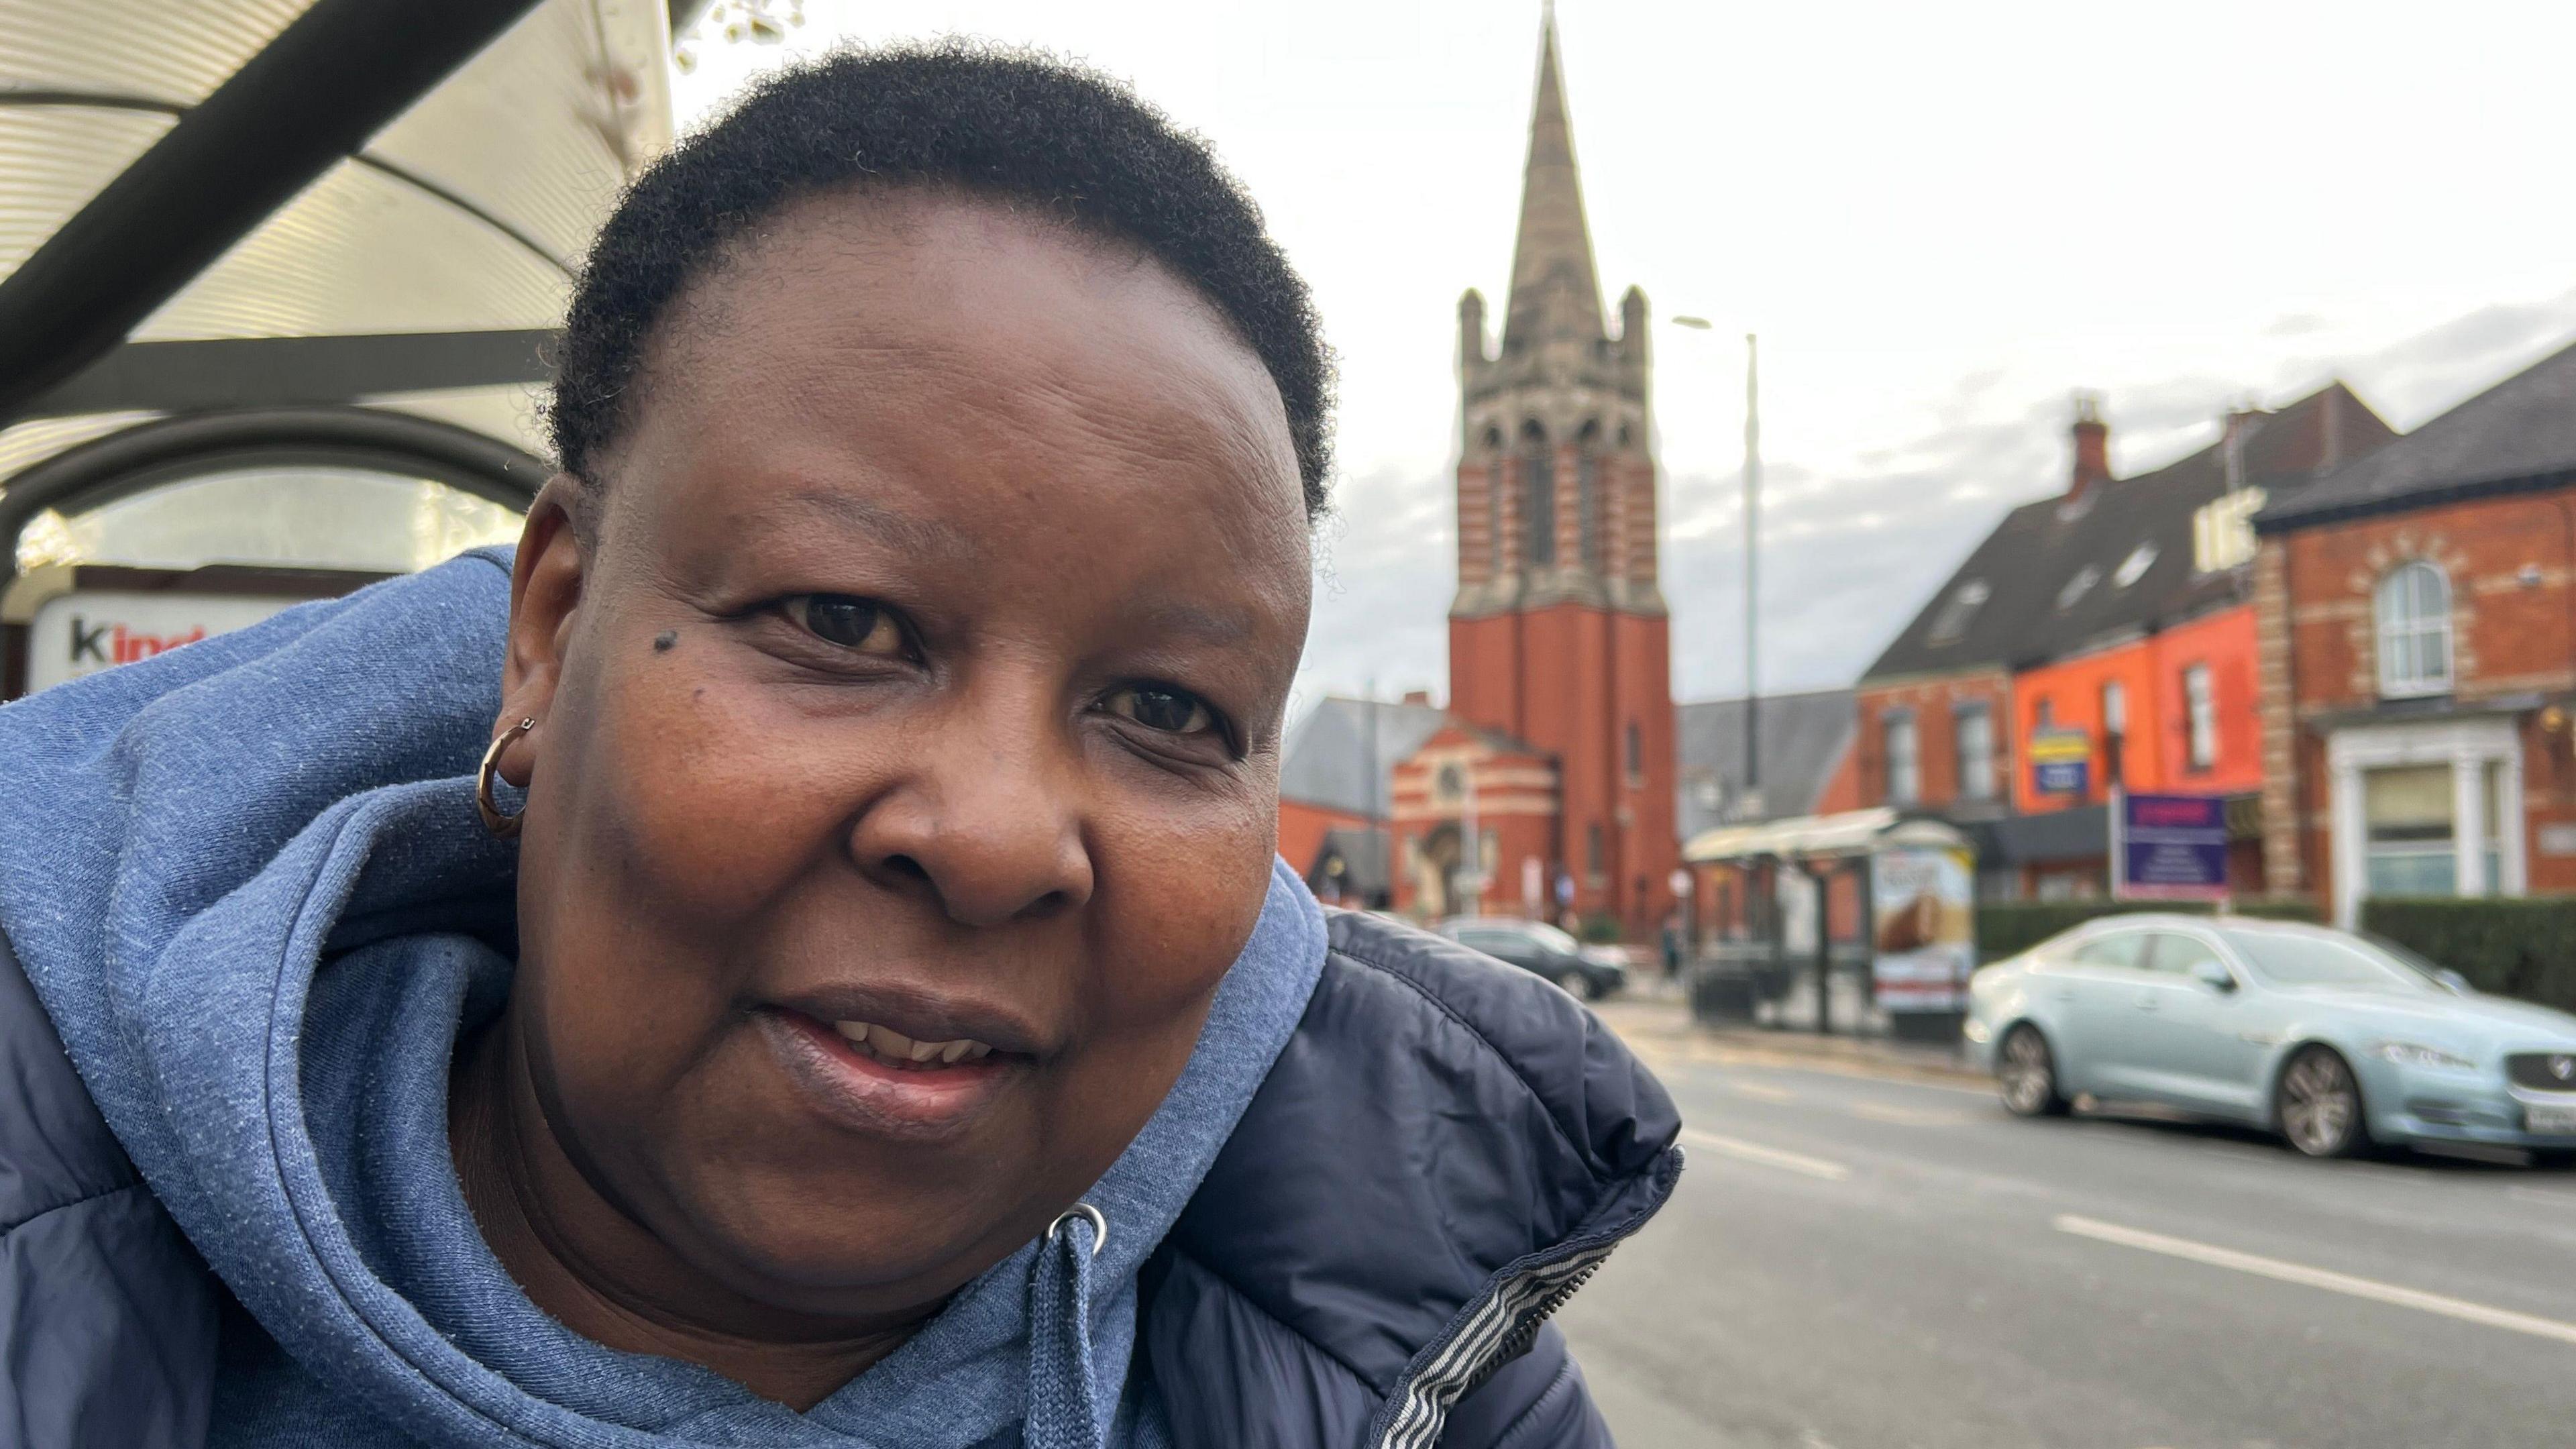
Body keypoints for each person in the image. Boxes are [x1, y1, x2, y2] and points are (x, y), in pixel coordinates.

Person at [0, 44, 1679, 1449]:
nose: (998, 835)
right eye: (845, 620)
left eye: (1170, 709)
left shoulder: (1425, 1373)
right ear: (554, 629)